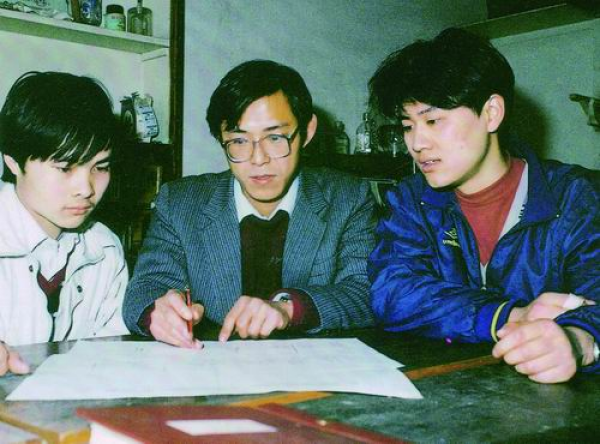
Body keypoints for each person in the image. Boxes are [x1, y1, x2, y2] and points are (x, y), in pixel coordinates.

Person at [368, 28, 599, 383]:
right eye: (407, 126)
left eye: (433, 121)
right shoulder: (411, 200)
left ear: (491, 113)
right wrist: (508, 315)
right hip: (451, 392)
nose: (416, 143)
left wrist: (576, 341)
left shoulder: (575, 196)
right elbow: (392, 292)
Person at [123, 60, 376, 348]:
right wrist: (157, 313)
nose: (258, 159)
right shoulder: (180, 203)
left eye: (275, 137)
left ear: (307, 131)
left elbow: (365, 294)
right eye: (239, 141)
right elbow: (144, 289)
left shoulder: (348, 198)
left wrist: (288, 309)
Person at [0, 72, 129, 376]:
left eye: (101, 167)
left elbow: (112, 363)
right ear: (13, 161)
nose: (85, 189)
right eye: (64, 167)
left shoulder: (105, 250)